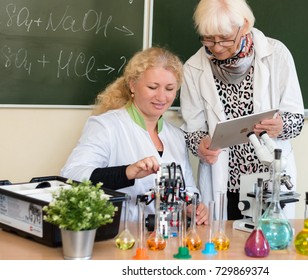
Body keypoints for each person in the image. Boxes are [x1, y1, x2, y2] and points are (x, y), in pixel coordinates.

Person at [180, 0, 305, 220]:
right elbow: (193, 130)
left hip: (269, 182)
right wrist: (200, 145)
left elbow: (296, 120)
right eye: (209, 38)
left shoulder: (276, 55)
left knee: (271, 246)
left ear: (244, 25)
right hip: (224, 182)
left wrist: (281, 126)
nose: (217, 47)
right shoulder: (193, 68)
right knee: (223, 247)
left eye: (225, 39)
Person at [61, 47, 208, 224]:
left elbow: (188, 189)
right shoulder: (106, 126)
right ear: (132, 85)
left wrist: (193, 206)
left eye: (170, 88)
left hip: (167, 241)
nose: (162, 97)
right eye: (153, 87)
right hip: (121, 237)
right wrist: (127, 172)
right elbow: (72, 175)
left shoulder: (176, 136)